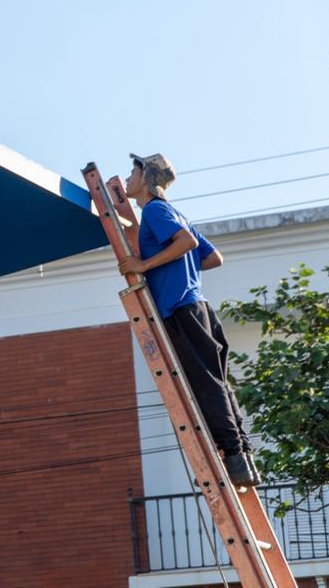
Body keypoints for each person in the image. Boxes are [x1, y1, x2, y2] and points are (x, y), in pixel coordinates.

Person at [117, 153, 260, 487]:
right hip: (200, 306)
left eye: (132, 172)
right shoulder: (176, 213)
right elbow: (212, 258)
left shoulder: (155, 209)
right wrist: (180, 269)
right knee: (219, 382)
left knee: (204, 383)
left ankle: (232, 455)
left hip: (182, 308)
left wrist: (145, 266)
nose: (127, 179)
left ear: (146, 178)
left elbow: (188, 243)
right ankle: (243, 459)